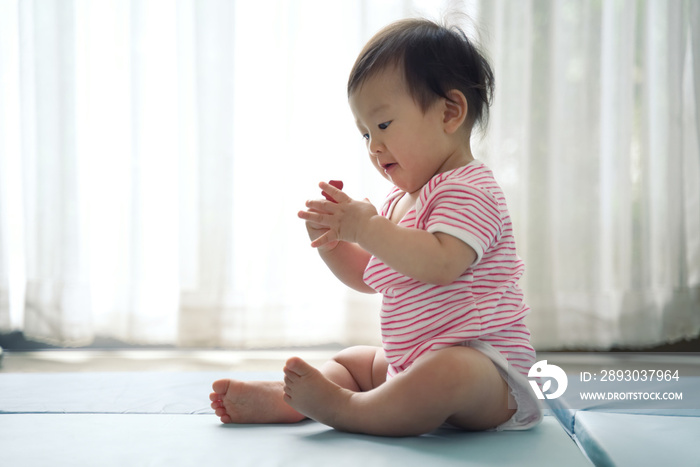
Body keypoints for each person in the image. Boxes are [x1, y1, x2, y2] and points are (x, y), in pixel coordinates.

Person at [210, 17, 542, 436]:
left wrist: (367, 228)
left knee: (450, 369)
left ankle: (348, 408)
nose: (373, 146)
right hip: (413, 362)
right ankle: (290, 398)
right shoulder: (400, 201)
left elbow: (441, 264)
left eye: (383, 125)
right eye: (364, 133)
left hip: (489, 372)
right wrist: (333, 241)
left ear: (450, 112)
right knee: (357, 361)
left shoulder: (470, 190)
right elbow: (371, 277)